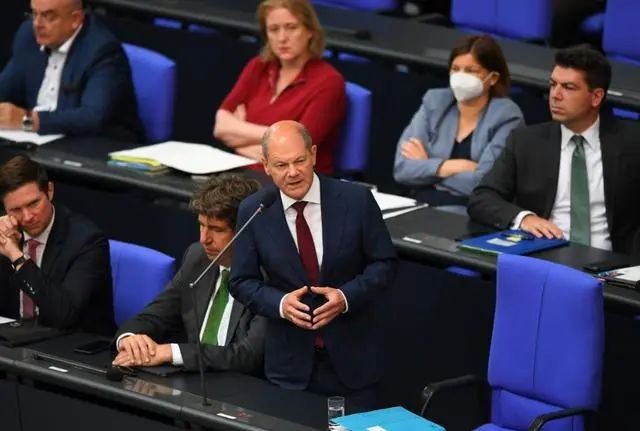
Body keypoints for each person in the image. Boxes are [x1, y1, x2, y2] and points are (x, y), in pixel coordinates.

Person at [230, 120, 397, 409]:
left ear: (314, 155)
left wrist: (345, 297)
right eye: (281, 165)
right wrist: (281, 303)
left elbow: (384, 264)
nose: (293, 172)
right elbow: (241, 281)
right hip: (289, 367)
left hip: (353, 361)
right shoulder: (255, 211)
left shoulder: (356, 200)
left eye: (299, 161)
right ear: (266, 166)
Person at [468, 45, 640, 255]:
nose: (555, 95)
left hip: (613, 262)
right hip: (545, 257)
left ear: (596, 97)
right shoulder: (526, 141)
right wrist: (524, 218)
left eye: (568, 87)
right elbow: (482, 198)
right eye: (553, 84)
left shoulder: (632, 143)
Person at [113, 174, 266, 375]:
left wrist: (172, 352)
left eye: (216, 229)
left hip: (240, 385)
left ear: (246, 231)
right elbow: (155, 315)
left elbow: (248, 356)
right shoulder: (197, 257)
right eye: (201, 225)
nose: (204, 239)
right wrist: (131, 339)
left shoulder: (270, 277)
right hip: (194, 378)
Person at [213, 0, 346, 175]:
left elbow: (296, 147)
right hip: (242, 173)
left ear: (310, 31)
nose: (282, 38)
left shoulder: (329, 82)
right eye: (274, 29)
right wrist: (276, 139)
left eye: (291, 28)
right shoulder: (258, 66)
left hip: (296, 181)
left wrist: (239, 138)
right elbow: (221, 126)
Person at [393, 35, 524, 206]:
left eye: (471, 70)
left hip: (469, 209)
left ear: (492, 78)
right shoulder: (434, 102)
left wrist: (427, 167)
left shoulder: (507, 117)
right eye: (455, 69)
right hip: (418, 203)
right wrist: (452, 166)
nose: (460, 76)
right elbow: (402, 169)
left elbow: (484, 183)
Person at [0, 155, 114, 335]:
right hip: (13, 337)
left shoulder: (87, 241)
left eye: (33, 203)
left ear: (50, 191)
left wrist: (17, 257)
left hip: (69, 342)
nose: (27, 217)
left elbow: (64, 315)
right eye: (16, 210)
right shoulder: (5, 232)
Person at [0, 0, 144, 142]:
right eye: (34, 14)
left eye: (48, 16)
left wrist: (28, 120)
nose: (37, 24)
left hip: (96, 144)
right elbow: (6, 86)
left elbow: (91, 117)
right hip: (39, 141)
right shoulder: (29, 36)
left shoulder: (102, 50)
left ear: (75, 19)